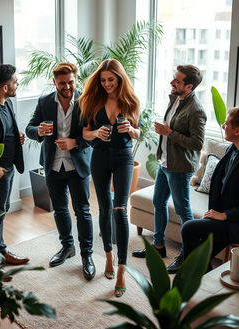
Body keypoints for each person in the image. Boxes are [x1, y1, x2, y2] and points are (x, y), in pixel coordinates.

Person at [132, 65, 207, 273]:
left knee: (184, 211)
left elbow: (197, 143)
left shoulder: (197, 109)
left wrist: (169, 132)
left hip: (179, 168)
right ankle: (158, 246)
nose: (172, 82)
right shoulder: (175, 98)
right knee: (158, 202)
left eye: (177, 81)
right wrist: (166, 130)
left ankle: (188, 256)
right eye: (174, 78)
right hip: (165, 162)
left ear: (189, 86)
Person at [26, 62, 95, 280]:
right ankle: (67, 247)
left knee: (82, 211)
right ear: (54, 81)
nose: (67, 87)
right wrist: (39, 130)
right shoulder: (44, 101)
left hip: (77, 165)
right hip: (53, 165)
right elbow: (30, 128)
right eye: (62, 83)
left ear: (76, 79)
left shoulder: (87, 102)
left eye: (71, 82)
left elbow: (94, 134)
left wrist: (76, 142)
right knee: (60, 209)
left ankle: (87, 255)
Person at [79, 58, 140, 297]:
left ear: (120, 78)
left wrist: (131, 130)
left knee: (120, 209)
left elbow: (138, 130)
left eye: (111, 80)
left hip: (124, 157)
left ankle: (122, 268)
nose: (106, 84)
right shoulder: (91, 100)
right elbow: (85, 133)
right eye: (103, 80)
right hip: (100, 157)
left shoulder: (131, 101)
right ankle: (107, 256)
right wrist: (96, 133)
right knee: (104, 209)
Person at [169, 108, 239, 273]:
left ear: (237, 130)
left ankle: (195, 273)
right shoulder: (232, 149)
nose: (223, 126)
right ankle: (202, 275)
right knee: (201, 254)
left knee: (189, 228)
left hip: (234, 222)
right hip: (222, 216)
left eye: (226, 123)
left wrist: (224, 215)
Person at [0, 64, 29, 282]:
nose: (17, 83)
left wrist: (16, 135)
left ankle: (0, 250)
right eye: (14, 81)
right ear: (4, 87)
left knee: (2, 209)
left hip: (9, 167)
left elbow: (5, 130)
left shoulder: (6, 102)